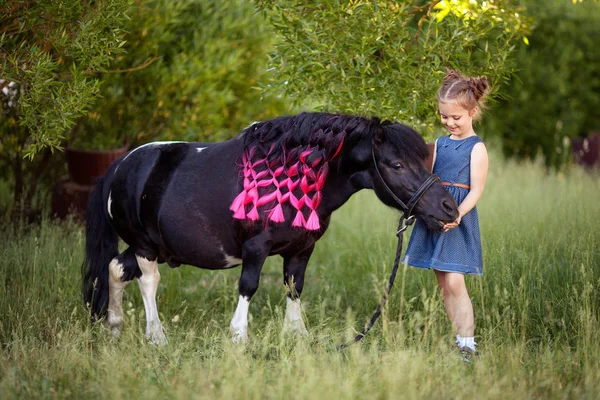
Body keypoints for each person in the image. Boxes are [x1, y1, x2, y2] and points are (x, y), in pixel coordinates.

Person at [403, 69, 490, 362]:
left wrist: (459, 214)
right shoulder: (440, 144)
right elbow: (431, 179)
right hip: (435, 215)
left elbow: (476, 190)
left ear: (472, 112)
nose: (449, 122)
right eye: (444, 116)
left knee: (455, 281)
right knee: (443, 282)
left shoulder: (476, 148)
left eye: (456, 117)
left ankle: (469, 345)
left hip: (457, 218)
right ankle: (459, 341)